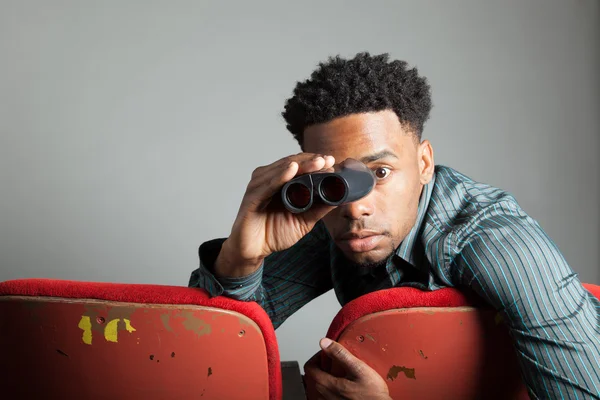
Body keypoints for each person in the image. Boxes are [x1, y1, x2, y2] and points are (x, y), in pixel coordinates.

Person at [189, 52, 600, 399]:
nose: (356, 208)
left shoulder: (497, 244)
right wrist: (240, 258)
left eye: (380, 173)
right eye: (335, 183)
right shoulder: (332, 218)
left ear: (423, 163)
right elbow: (206, 356)